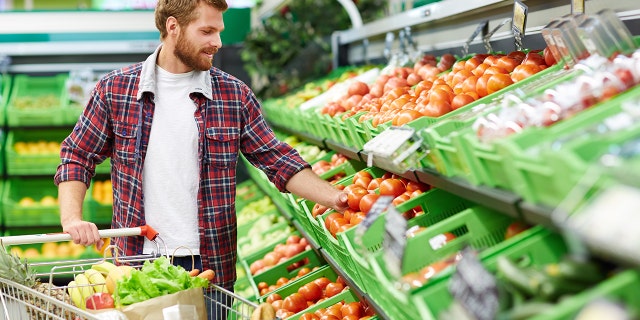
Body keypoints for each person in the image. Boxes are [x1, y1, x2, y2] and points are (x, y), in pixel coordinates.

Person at [54, 0, 348, 312]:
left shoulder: (233, 95)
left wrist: (337, 199)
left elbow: (278, 161)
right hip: (136, 266)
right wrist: (72, 217)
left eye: (219, 32)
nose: (218, 43)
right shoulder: (116, 90)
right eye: (206, 31)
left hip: (210, 269)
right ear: (173, 27)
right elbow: (77, 154)